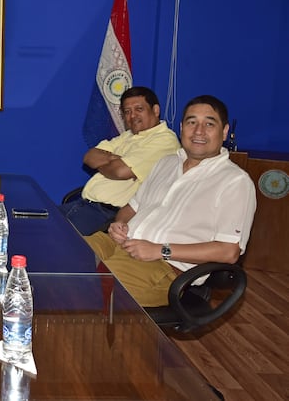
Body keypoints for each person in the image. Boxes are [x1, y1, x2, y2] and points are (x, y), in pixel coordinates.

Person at [84, 95, 256, 307]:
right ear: (182, 127)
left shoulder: (235, 181)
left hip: (163, 266)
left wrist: (160, 250)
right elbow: (131, 208)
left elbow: (229, 252)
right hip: (121, 244)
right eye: (192, 122)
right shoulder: (166, 163)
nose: (199, 131)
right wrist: (120, 225)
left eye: (209, 124)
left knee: (86, 293)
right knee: (57, 258)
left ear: (224, 131)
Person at [61, 86, 180, 236]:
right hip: (85, 206)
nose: (132, 116)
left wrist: (109, 163)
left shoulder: (164, 140)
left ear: (156, 110)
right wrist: (114, 159)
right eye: (127, 111)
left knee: (51, 235)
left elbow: (120, 171)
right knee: (35, 221)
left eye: (139, 109)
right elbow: (89, 157)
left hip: (108, 216)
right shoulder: (129, 136)